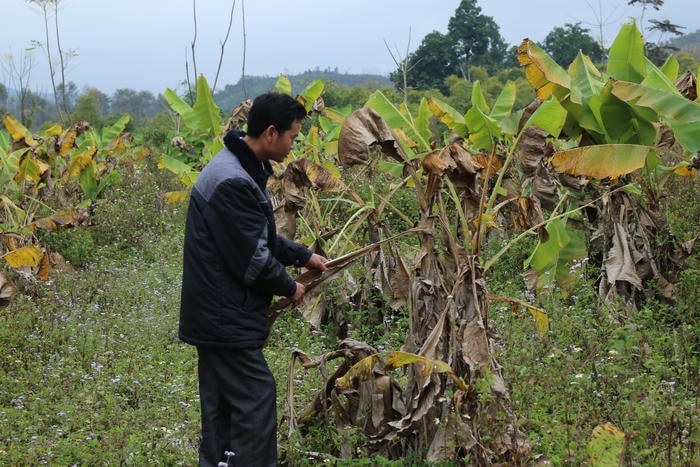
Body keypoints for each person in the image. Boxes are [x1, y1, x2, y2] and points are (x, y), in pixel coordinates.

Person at [179, 92, 328, 466]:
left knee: (223, 407)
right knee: (255, 398)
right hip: (224, 317)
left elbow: (256, 237)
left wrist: (303, 255)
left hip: (216, 316)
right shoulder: (233, 181)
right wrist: (290, 286)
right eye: (293, 138)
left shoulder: (236, 168)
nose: (294, 147)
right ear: (272, 133)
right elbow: (253, 261)